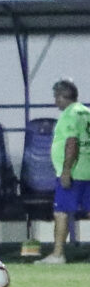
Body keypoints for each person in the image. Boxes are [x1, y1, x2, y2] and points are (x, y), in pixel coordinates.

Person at [50, 79, 90, 264]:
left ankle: (58, 254)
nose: (55, 101)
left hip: (74, 172)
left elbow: (71, 142)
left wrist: (66, 170)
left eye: (56, 97)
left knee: (61, 212)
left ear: (61, 96)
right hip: (87, 170)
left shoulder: (69, 114)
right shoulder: (86, 112)